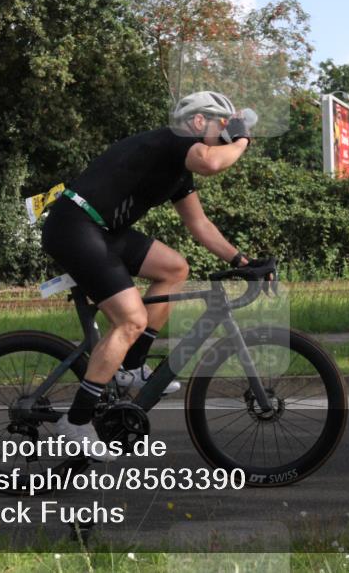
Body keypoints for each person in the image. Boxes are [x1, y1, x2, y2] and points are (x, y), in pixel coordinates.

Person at [41, 91, 263, 460]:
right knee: (131, 319)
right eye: (220, 126)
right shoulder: (176, 140)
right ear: (197, 122)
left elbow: (200, 224)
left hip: (103, 232)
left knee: (175, 268)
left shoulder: (179, 168)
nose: (224, 136)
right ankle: (76, 422)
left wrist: (241, 260)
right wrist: (241, 140)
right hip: (75, 226)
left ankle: (130, 367)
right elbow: (211, 162)